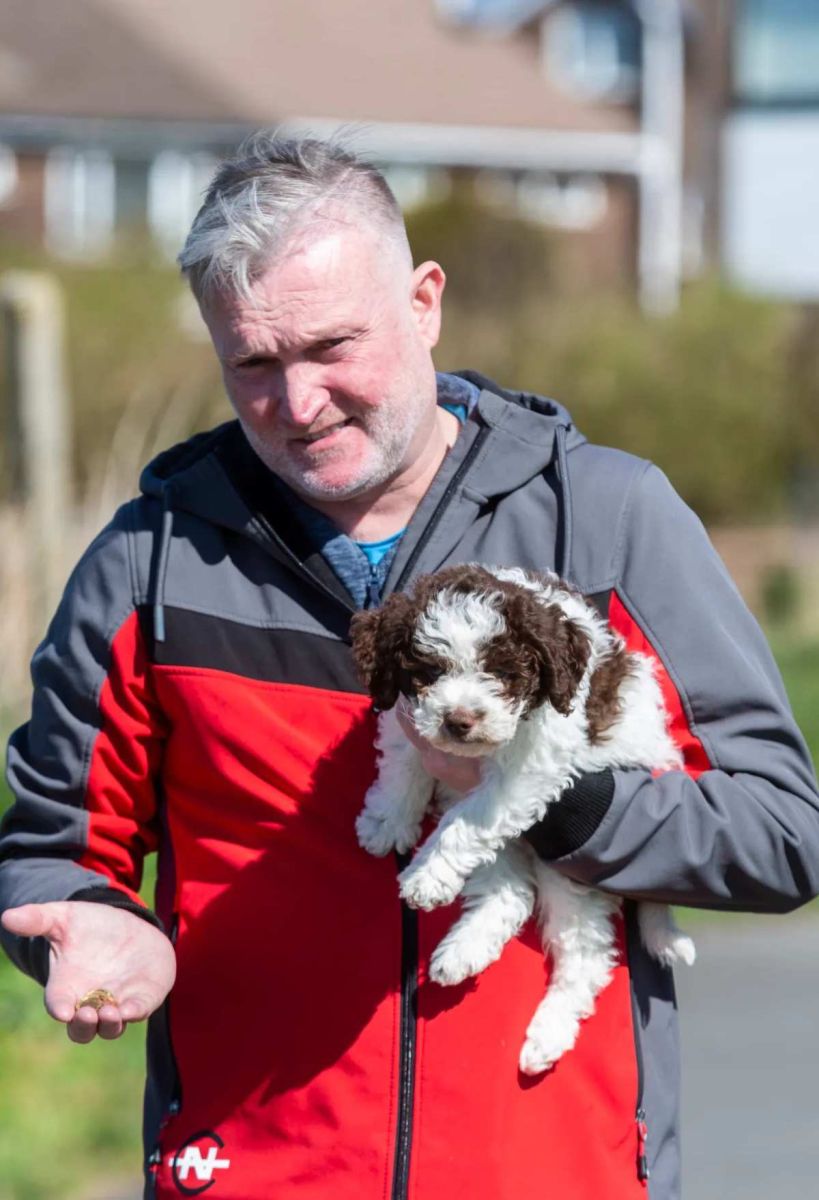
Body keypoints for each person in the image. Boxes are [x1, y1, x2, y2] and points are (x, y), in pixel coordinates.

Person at [1, 133, 817, 1200]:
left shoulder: (610, 518)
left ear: (426, 301)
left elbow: (783, 836)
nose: (298, 405)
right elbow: (54, 849)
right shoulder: (148, 562)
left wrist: (561, 808)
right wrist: (89, 920)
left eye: (334, 345)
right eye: (253, 363)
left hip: (550, 1174)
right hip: (250, 1172)